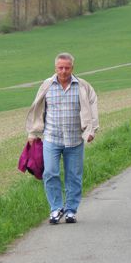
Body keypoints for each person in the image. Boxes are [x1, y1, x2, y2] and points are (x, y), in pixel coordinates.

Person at [25, 53, 99, 224]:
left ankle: (71, 210)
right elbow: (37, 109)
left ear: (72, 68)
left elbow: (92, 106)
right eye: (60, 67)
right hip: (52, 138)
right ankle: (56, 209)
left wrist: (91, 130)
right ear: (55, 68)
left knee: (74, 176)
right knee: (50, 173)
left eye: (67, 67)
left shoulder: (82, 86)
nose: (64, 71)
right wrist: (33, 132)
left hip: (74, 139)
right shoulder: (47, 85)